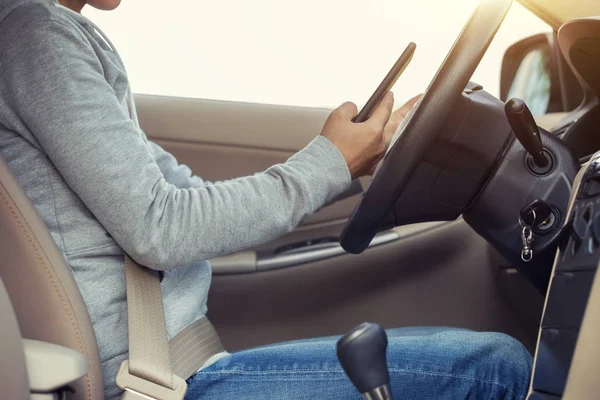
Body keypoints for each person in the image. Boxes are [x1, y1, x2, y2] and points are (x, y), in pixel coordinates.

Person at [0, 0, 533, 398]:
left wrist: (356, 164)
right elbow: (161, 228)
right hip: (152, 382)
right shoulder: (35, 34)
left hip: (172, 366)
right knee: (496, 370)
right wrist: (329, 160)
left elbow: (191, 200)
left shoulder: (45, 36)